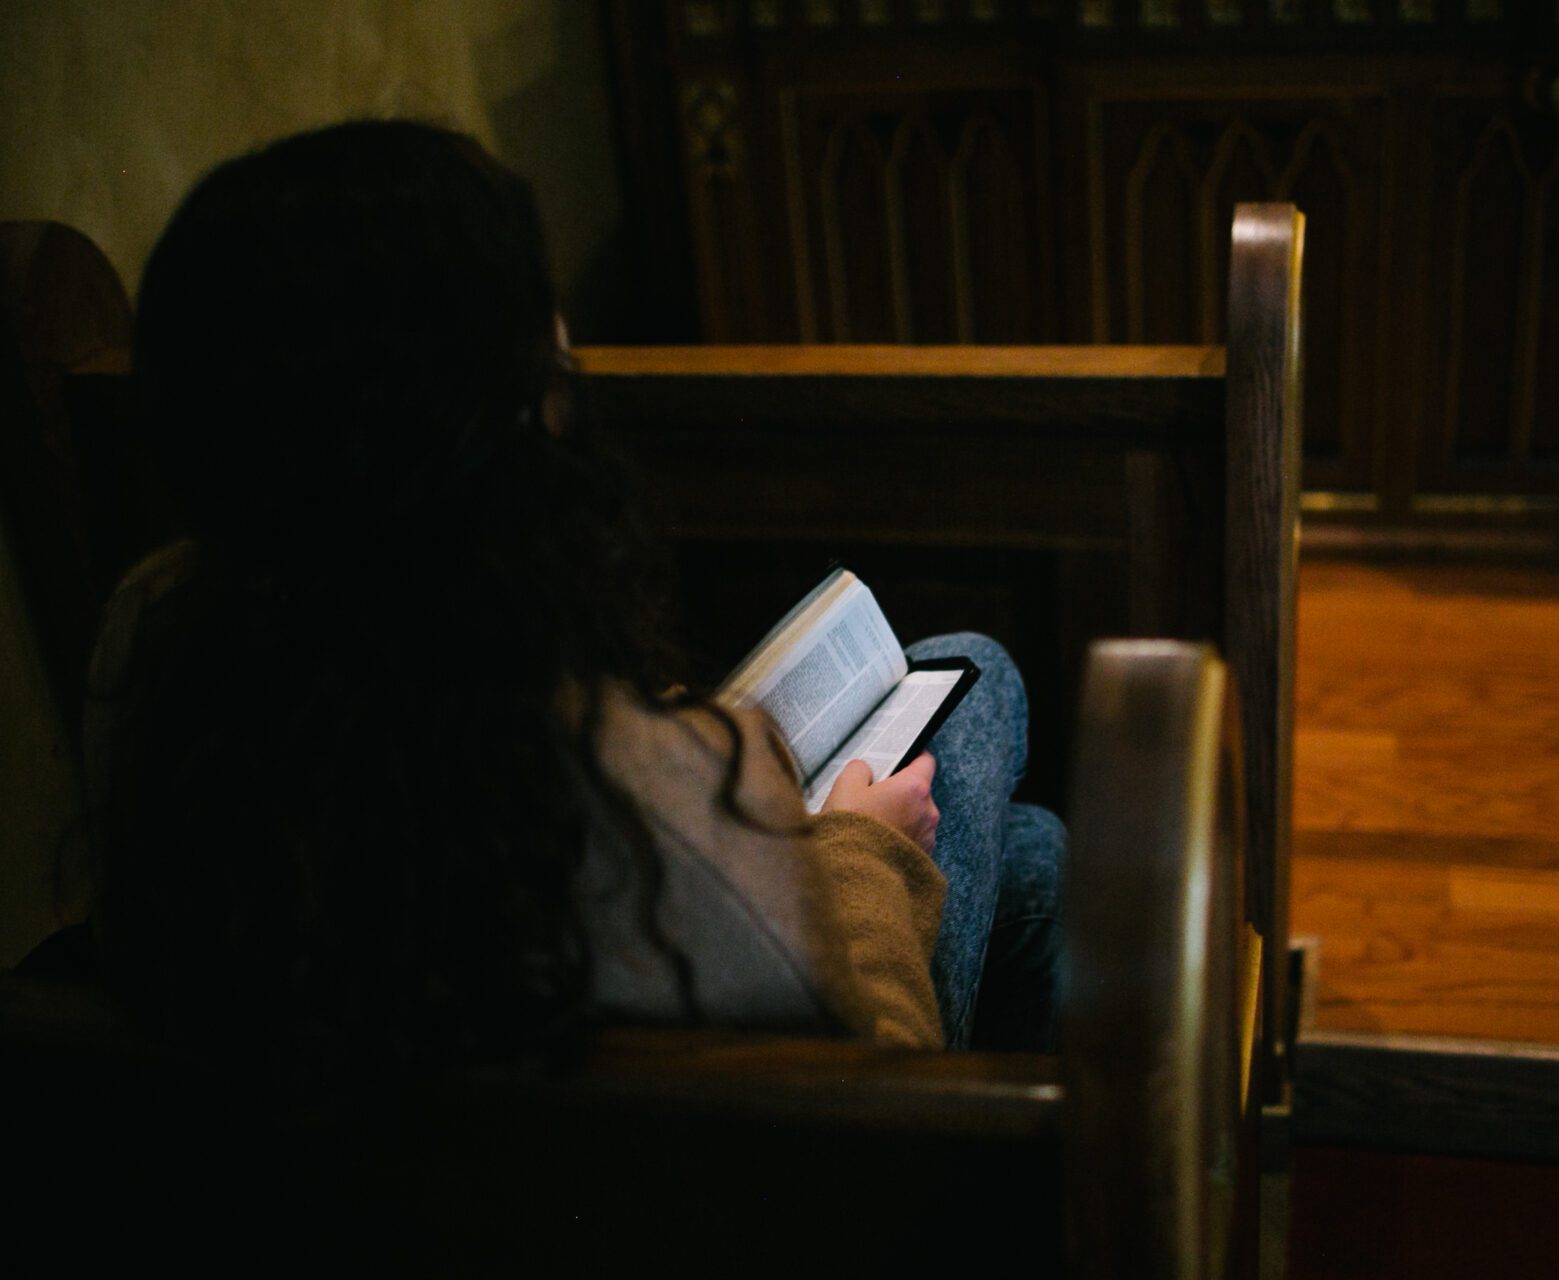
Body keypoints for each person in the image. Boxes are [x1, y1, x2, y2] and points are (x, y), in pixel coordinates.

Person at [86, 120, 1062, 1091]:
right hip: (735, 1187)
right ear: (487, 423)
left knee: (1035, 858)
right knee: (983, 681)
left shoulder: (157, 645)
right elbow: (882, 1099)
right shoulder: (611, 789)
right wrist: (861, 848)